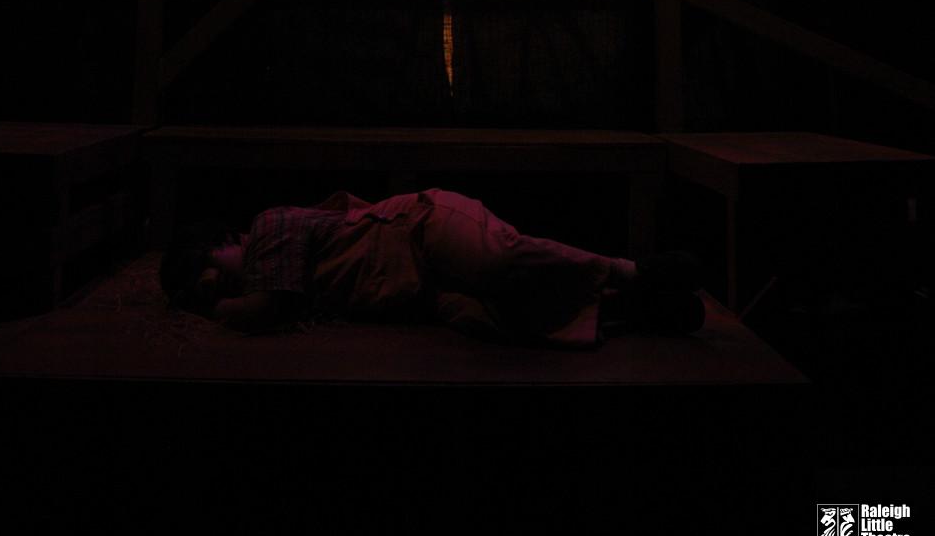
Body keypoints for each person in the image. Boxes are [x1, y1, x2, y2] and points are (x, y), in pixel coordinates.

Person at [160, 188, 704, 348]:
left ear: (222, 241)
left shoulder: (268, 228)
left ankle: (632, 272)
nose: (216, 282)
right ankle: (635, 311)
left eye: (208, 266)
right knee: (488, 317)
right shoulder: (270, 260)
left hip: (420, 229)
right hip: (418, 283)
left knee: (497, 260)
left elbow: (267, 308)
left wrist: (212, 306)